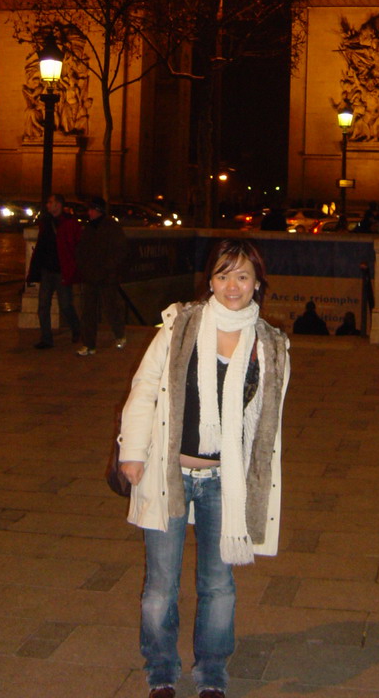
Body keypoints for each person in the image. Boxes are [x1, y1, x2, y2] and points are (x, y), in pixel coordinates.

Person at [119, 239, 290, 698]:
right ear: (209, 280)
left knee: (218, 584)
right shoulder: (181, 324)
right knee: (160, 584)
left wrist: (257, 486)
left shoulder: (271, 345)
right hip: (168, 472)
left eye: (242, 276)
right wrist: (132, 452)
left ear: (257, 284)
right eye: (222, 274)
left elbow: (265, 426)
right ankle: (161, 670)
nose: (231, 286)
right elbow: (145, 387)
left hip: (224, 481)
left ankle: (212, 671)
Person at [75, 196, 129, 356]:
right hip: (91, 276)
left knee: (111, 307)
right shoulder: (89, 229)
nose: (89, 213)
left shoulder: (112, 227)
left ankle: (119, 335)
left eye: (92, 209)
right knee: (88, 312)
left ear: (99, 211)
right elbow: (81, 250)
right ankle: (88, 344)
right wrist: (84, 267)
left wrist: (108, 268)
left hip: (107, 276)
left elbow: (120, 251)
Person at [26, 193, 82, 349]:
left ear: (58, 205)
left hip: (61, 270)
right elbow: (41, 247)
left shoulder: (69, 223)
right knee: (43, 305)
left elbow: (76, 246)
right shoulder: (46, 222)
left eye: (50, 202)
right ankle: (46, 338)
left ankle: (76, 327)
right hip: (47, 270)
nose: (47, 205)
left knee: (65, 305)